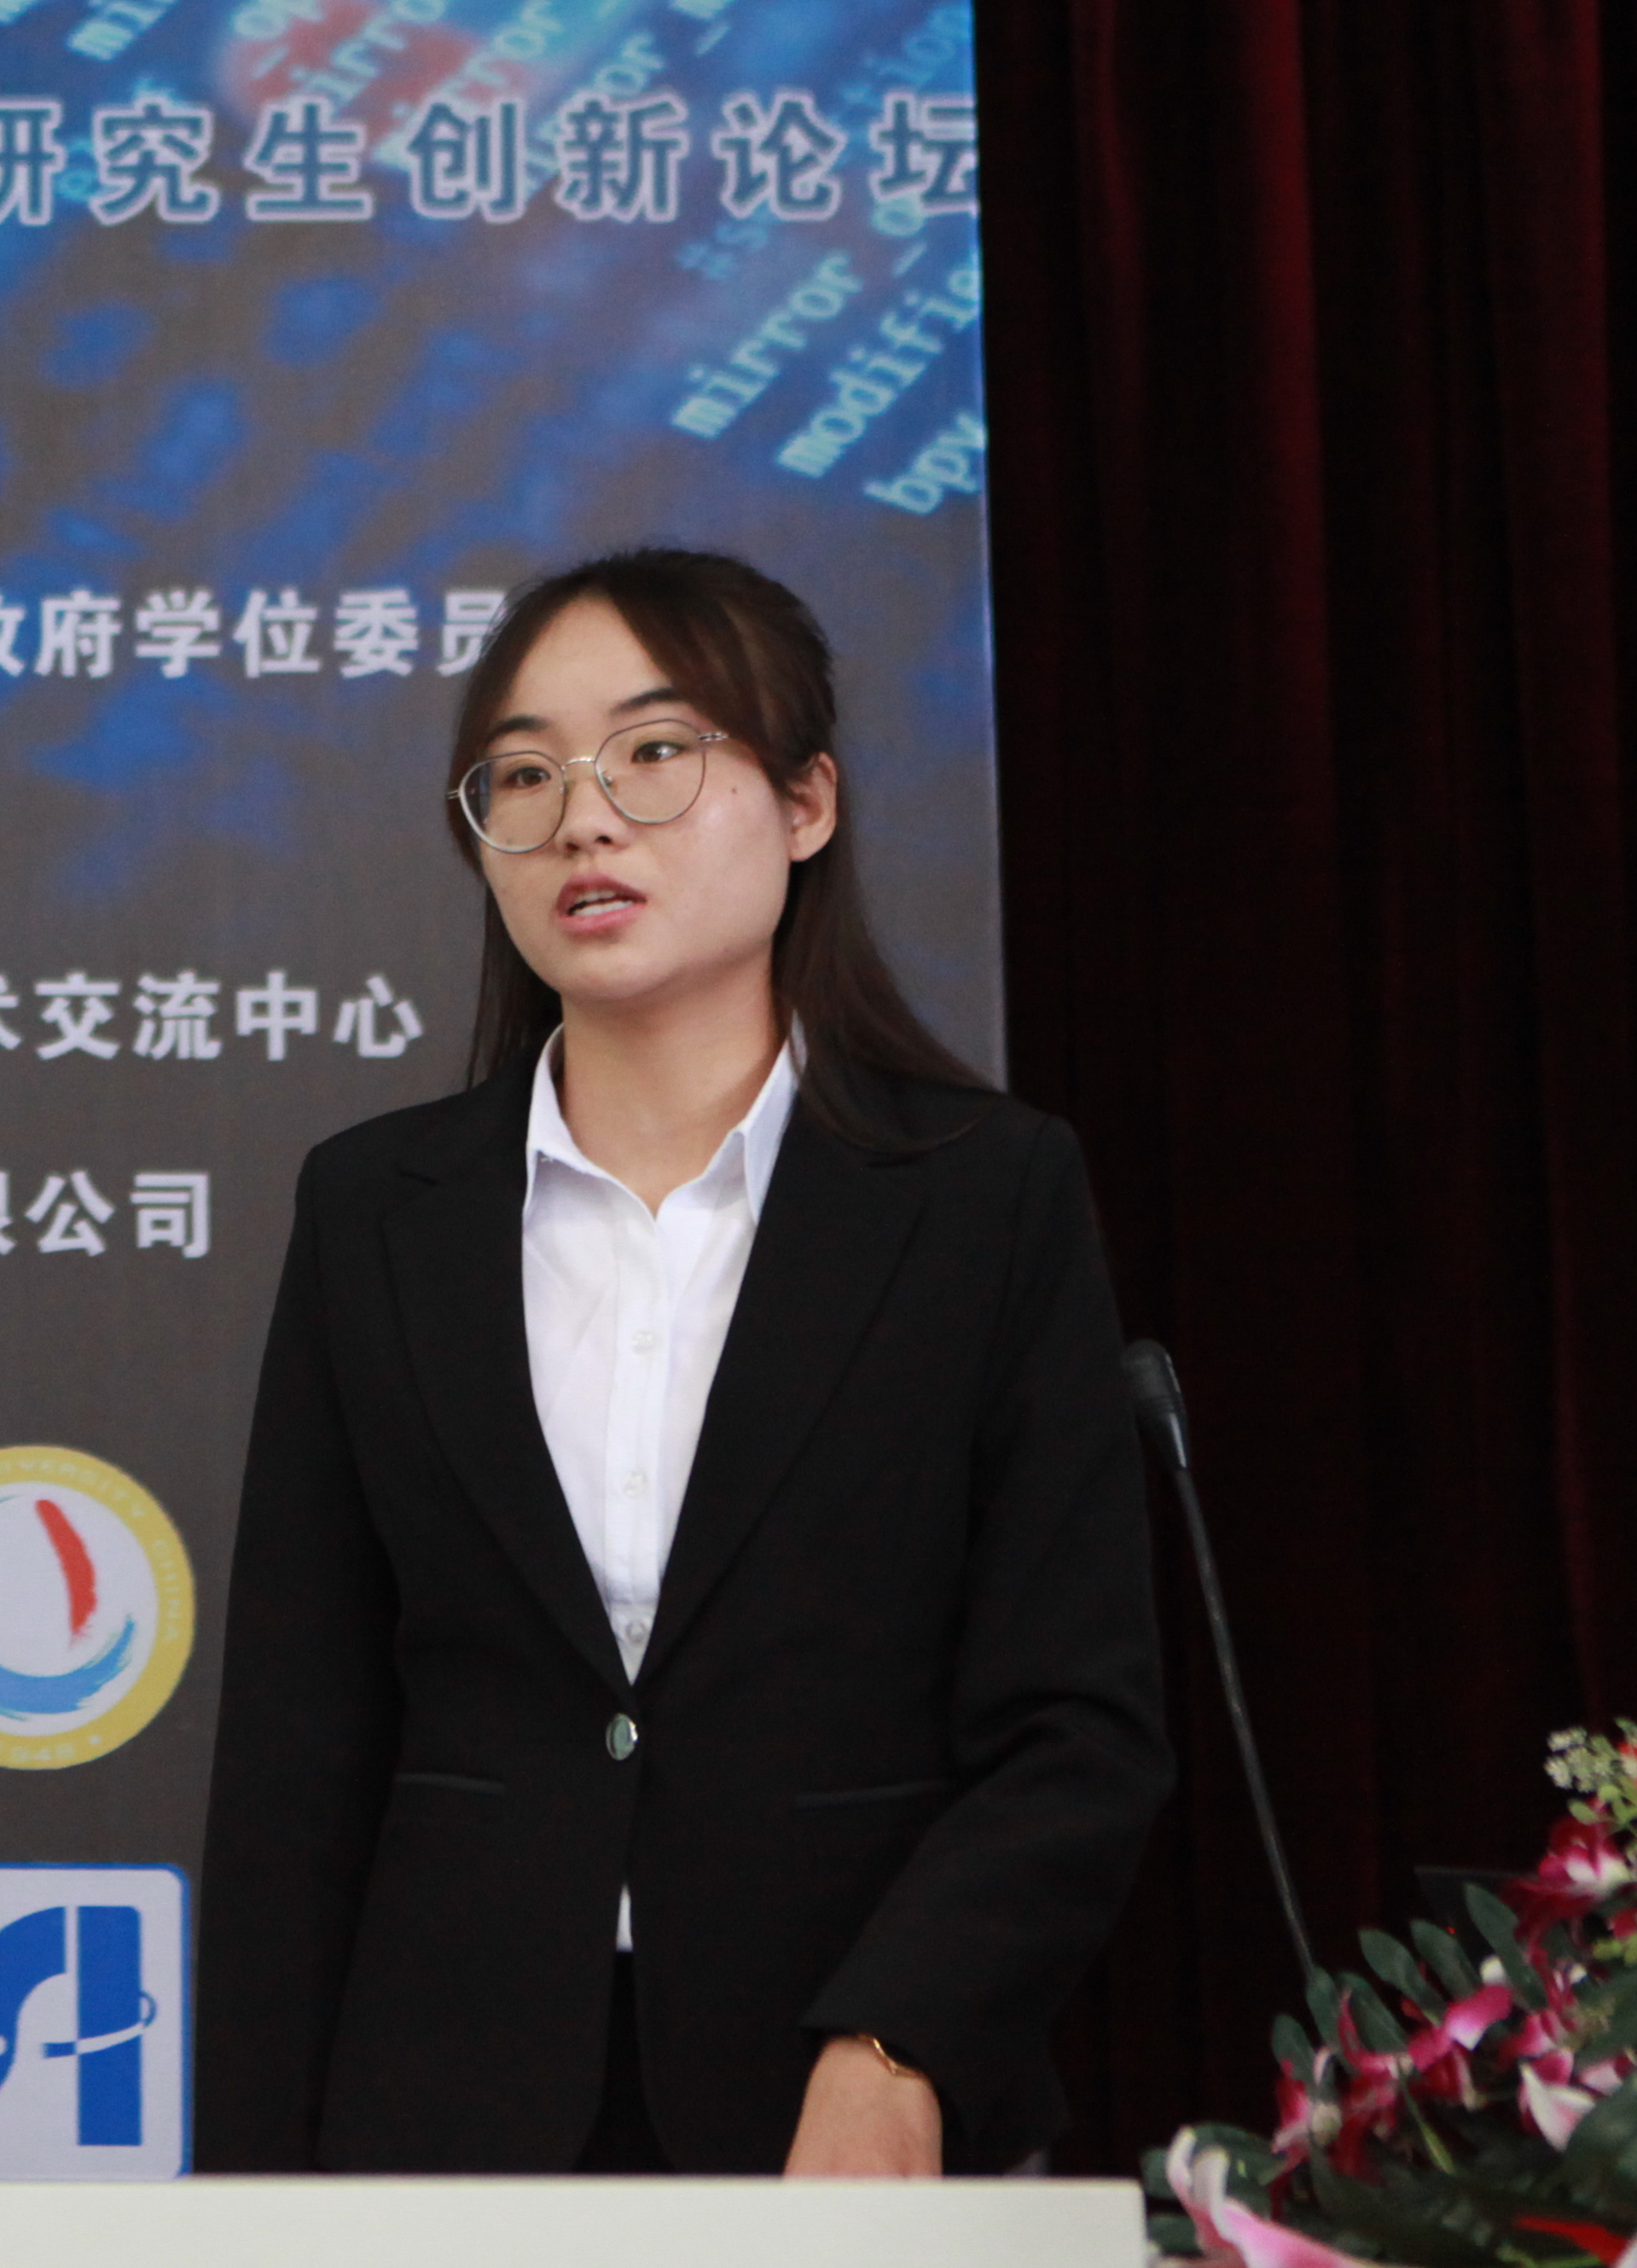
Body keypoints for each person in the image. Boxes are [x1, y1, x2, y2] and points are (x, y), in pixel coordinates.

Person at [194, 547, 1172, 2178]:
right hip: (442, 2117)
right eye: (523, 774)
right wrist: (250, 2194)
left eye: (653, 751)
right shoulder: (377, 1210)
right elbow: (297, 1756)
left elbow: (1077, 1726)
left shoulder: (981, 1196)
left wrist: (902, 2038)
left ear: (805, 803)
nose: (583, 818)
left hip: (840, 2106)